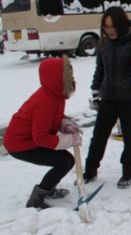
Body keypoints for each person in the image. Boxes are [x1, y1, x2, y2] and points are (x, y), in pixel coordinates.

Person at [83, 6, 131, 189]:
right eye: (106, 27)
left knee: (129, 137)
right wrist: (95, 91)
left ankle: (128, 173)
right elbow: (100, 70)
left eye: (112, 26)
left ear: (121, 25)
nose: (109, 30)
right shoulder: (103, 44)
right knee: (99, 135)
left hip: (129, 97)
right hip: (108, 97)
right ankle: (90, 170)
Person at [3, 56, 82, 209]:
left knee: (68, 160)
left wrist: (66, 126)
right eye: (68, 75)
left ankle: (49, 188)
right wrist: (69, 140)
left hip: (31, 139)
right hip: (20, 145)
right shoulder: (45, 101)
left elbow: (56, 117)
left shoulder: (55, 95)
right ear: (56, 78)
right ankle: (36, 200)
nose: (72, 79)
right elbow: (41, 138)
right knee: (62, 163)